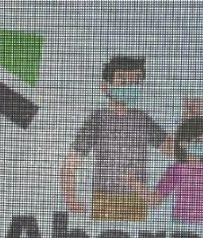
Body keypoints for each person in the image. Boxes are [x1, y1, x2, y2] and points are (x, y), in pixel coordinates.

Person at [61, 56, 172, 222]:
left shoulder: (142, 120)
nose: (130, 87)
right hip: (105, 198)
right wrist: (71, 199)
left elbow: (173, 151)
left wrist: (190, 123)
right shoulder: (98, 120)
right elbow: (72, 161)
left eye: (135, 82)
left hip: (137, 199)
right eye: (123, 81)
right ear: (106, 87)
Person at [130, 115, 203, 225]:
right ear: (183, 143)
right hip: (182, 224)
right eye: (198, 140)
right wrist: (135, 184)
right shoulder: (177, 170)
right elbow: (155, 199)